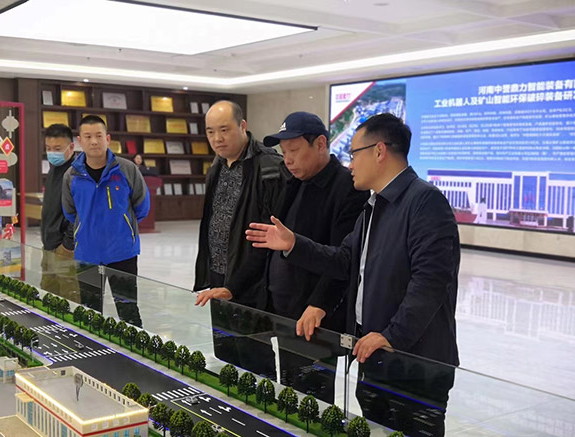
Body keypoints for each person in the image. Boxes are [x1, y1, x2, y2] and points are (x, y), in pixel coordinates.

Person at [246, 113, 460, 436]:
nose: (350, 165)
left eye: (354, 154)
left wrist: (392, 336)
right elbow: (344, 260)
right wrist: (293, 245)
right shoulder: (374, 207)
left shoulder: (425, 202)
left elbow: (430, 284)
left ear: (379, 151)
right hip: (373, 352)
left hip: (412, 362)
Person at [196, 111, 368, 402]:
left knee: (310, 399)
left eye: (295, 151)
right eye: (284, 152)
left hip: (314, 319)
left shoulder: (346, 189)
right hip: (281, 312)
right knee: (287, 393)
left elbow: (344, 260)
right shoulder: (292, 182)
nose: (287, 160)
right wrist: (232, 287)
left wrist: (319, 304)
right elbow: (266, 243)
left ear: (320, 144)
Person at [193, 100, 286, 307]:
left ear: (243, 125)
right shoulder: (217, 165)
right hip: (218, 275)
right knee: (221, 327)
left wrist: (235, 285)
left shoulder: (269, 167)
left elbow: (270, 236)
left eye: (224, 130)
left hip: (253, 283)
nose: (217, 139)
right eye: (210, 132)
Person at [62, 115, 150, 325]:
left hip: (122, 252)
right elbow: (70, 212)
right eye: (88, 136)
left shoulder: (127, 169)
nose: (94, 141)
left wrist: (122, 226)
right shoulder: (71, 175)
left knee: (128, 311)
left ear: (108, 139)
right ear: (79, 141)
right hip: (87, 253)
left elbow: (142, 206)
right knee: (90, 312)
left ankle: (133, 346)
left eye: (99, 136)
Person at [40, 124, 79, 302]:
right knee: (48, 299)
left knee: (69, 301)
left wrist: (67, 246)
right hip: (49, 246)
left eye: (57, 149)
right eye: (48, 148)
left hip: (65, 250)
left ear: (71, 147)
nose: (52, 153)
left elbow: (78, 214)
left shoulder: (76, 173)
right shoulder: (54, 169)